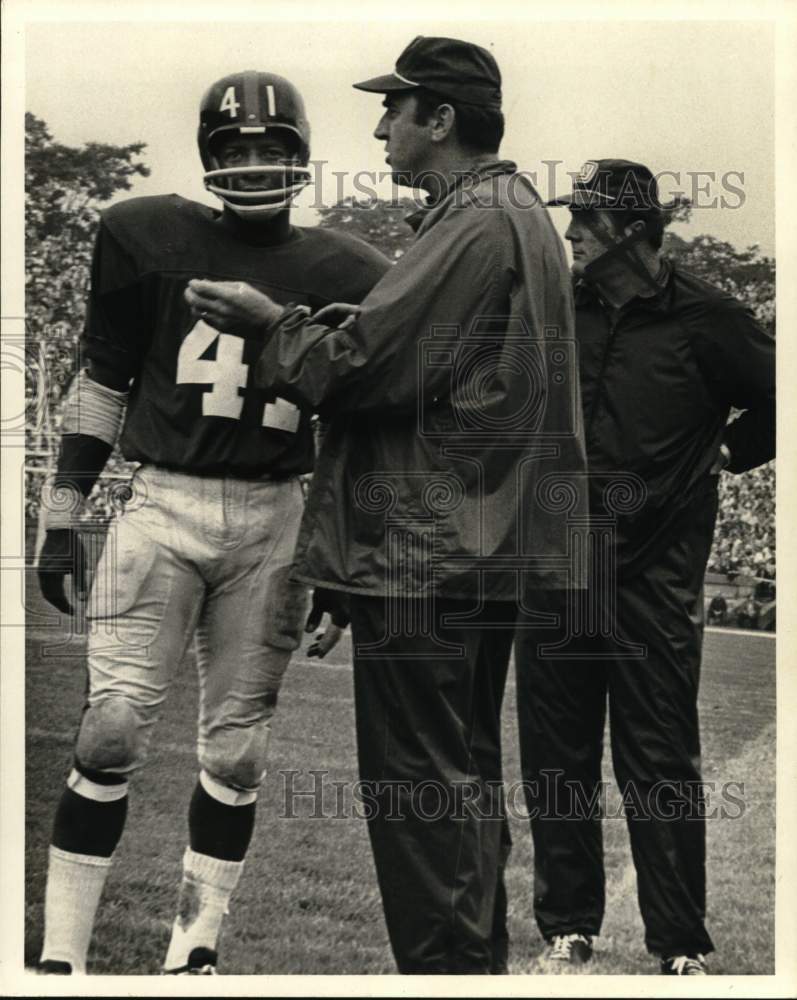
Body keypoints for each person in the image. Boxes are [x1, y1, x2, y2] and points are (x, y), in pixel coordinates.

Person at [188, 35, 587, 974]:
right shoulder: (514, 214)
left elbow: (368, 369)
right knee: (460, 780)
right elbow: (433, 360)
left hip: (431, 550)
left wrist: (271, 324)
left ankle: (448, 974)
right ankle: (470, 969)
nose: (377, 126)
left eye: (393, 109)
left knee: (421, 792)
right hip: (478, 544)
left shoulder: (478, 220)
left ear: (439, 120)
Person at [35, 70, 389, 975]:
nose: (257, 164)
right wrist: (65, 507)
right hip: (161, 501)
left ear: (301, 160)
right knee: (110, 728)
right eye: (238, 150)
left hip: (275, 515)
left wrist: (341, 556)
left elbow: (364, 423)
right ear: (210, 158)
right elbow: (105, 378)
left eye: (274, 150)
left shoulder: (351, 270)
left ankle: (193, 952)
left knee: (237, 752)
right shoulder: (142, 233)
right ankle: (61, 955)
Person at [513, 159, 775, 975]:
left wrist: (725, 453)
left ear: (631, 232)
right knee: (554, 755)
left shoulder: (708, 316)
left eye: (584, 221)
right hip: (555, 566)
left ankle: (679, 943)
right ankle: (566, 925)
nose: (570, 233)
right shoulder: (555, 306)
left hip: (652, 576)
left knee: (657, 756)